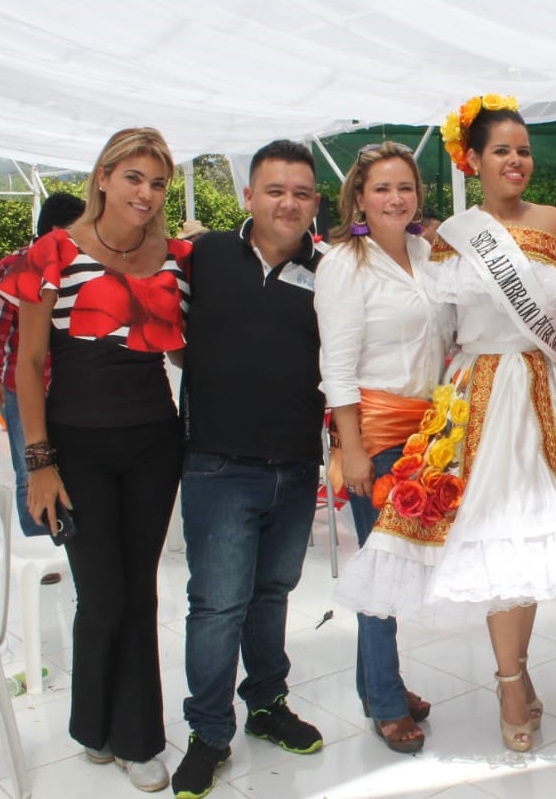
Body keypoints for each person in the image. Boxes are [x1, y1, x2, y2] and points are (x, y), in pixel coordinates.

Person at [339, 95, 556, 753]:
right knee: (493, 541)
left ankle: (515, 673)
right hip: (477, 399)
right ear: (472, 159)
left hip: (545, 396)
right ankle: (511, 679)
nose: (516, 160)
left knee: (527, 547)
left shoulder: (555, 221)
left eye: (523, 149)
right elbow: (439, 327)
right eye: (501, 150)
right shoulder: (452, 235)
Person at [0, 128, 188, 793]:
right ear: (103, 177)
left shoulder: (175, 259)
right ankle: (93, 723)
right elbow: (25, 365)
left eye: (158, 182)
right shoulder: (50, 254)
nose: (146, 192)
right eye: (134, 177)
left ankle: (135, 736)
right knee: (103, 592)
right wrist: (39, 460)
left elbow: (185, 353)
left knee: (138, 590)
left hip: (154, 443)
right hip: (75, 446)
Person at [173, 140, 325, 799]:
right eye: (274, 189)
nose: (287, 202)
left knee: (271, 594)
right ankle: (209, 732)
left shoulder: (331, 272)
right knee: (216, 605)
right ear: (248, 196)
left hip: (295, 465)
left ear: (315, 202)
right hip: (218, 464)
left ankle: (266, 702)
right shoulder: (204, 257)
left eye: (300, 192)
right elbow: (171, 339)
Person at [317, 142, 452, 753]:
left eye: (406, 187)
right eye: (382, 189)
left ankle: (379, 686)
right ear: (359, 200)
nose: (396, 198)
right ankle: (388, 705)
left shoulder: (427, 254)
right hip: (372, 433)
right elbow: (337, 367)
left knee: (393, 568)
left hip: (423, 432)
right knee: (381, 572)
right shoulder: (345, 262)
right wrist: (349, 450)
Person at [0, 192, 85, 540]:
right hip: (23, 389)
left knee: (70, 468)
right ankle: (40, 550)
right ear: (55, 231)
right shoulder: (13, 268)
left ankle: (67, 541)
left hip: (71, 388)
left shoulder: (81, 267)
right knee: (30, 470)